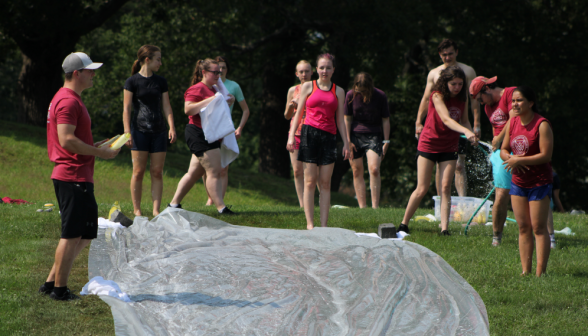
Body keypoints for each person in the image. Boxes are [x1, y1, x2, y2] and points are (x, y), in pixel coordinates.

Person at [40, 52, 120, 300]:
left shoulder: (68, 98)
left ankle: (51, 283)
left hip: (78, 174)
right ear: (77, 73)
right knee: (72, 234)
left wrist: (97, 145)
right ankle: (59, 290)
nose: (94, 74)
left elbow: (73, 139)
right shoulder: (68, 101)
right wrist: (99, 152)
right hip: (72, 175)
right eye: (90, 70)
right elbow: (66, 140)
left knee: (84, 233)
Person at [399, 66, 477, 236]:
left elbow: (464, 120)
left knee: (445, 187)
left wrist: (471, 134)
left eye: (460, 84)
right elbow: (446, 119)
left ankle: (444, 229)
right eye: (453, 84)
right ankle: (404, 224)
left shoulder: (463, 97)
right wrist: (466, 131)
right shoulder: (437, 95)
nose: (457, 87)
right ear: (445, 82)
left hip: (449, 145)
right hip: (429, 143)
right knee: (422, 188)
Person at [287, 53, 351, 229]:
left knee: (325, 182)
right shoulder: (308, 87)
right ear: (317, 69)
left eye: (328, 67)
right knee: (309, 181)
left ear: (333, 70)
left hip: (329, 137)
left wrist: (346, 142)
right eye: (321, 67)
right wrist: (292, 135)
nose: (324, 71)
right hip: (309, 134)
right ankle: (310, 224)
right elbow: (298, 113)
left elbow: (340, 119)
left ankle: (323, 226)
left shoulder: (338, 91)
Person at [168, 58, 236, 214]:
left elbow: (217, 109)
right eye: (215, 72)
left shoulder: (214, 88)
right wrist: (211, 100)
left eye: (219, 72)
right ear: (204, 72)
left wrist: (227, 100)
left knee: (194, 173)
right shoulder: (197, 89)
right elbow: (188, 110)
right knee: (214, 171)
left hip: (209, 134)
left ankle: (173, 205)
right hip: (198, 133)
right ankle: (221, 208)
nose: (218, 75)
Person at [415, 39, 480, 197]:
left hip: (460, 126)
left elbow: (473, 100)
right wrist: (418, 122)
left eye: (450, 53)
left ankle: (462, 201)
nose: (448, 57)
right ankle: (441, 203)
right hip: (439, 128)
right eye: (444, 55)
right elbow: (425, 99)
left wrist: (476, 126)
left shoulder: (468, 71)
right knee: (440, 166)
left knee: (460, 164)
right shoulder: (434, 73)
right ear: (439, 55)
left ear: (456, 52)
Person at [501, 86, 553, 276]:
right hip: (518, 182)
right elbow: (504, 149)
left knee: (539, 227)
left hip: (539, 181)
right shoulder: (512, 122)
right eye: (513, 101)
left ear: (530, 103)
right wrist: (509, 158)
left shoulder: (542, 124)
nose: (515, 104)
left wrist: (519, 160)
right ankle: (525, 271)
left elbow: (546, 155)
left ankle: (540, 273)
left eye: (519, 100)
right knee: (523, 227)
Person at [123, 45, 176, 217]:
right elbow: (127, 108)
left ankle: (155, 210)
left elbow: (166, 106)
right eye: (158, 59)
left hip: (159, 130)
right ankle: (137, 210)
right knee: (138, 171)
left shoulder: (161, 81)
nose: (161, 62)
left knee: (157, 171)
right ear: (147, 59)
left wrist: (171, 127)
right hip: (138, 130)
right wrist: (126, 132)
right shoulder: (132, 82)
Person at [469, 76, 516, 246]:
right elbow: (495, 129)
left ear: (487, 89)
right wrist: (496, 141)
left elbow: (514, 120)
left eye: (480, 98)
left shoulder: (510, 94)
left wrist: (498, 139)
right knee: (501, 194)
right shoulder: (488, 107)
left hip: (519, 148)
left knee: (531, 191)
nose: (481, 103)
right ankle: (497, 236)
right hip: (501, 152)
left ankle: (548, 235)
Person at [203, 56, 250, 206]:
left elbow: (246, 110)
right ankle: (210, 197)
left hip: (226, 129)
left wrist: (240, 128)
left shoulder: (234, 86)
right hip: (209, 127)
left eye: (223, 67)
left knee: (223, 168)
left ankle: (219, 201)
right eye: (218, 68)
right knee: (207, 166)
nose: (221, 70)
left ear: (227, 69)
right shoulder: (208, 85)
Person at [344, 72, 390, 208]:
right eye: (358, 89)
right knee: (356, 170)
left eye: (363, 90)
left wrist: (386, 141)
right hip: (355, 135)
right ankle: (362, 207)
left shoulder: (380, 96)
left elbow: (386, 119)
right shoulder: (350, 95)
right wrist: (347, 141)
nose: (360, 92)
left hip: (374, 134)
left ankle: (375, 207)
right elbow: (346, 118)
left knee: (374, 168)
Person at [284, 60, 313, 207]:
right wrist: (291, 106)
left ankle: (319, 202)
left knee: (313, 171)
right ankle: (302, 204)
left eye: (307, 71)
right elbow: (287, 116)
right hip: (295, 133)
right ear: (296, 74)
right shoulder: (292, 90)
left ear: (312, 72)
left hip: (312, 132)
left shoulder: (316, 88)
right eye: (301, 72)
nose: (304, 74)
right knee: (297, 170)